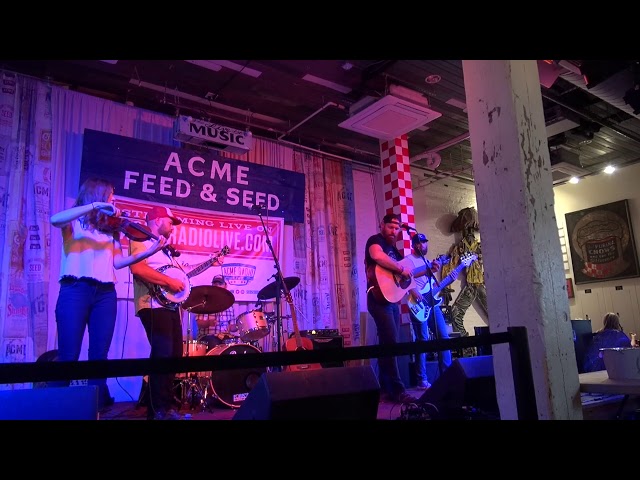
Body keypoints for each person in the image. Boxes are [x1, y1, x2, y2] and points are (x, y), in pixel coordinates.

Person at [50, 177, 167, 410]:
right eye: (110, 197)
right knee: (69, 354)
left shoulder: (109, 229)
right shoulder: (74, 221)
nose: (113, 201)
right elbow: (55, 219)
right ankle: (56, 409)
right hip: (75, 290)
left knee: (99, 356)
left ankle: (94, 409)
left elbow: (119, 263)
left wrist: (150, 250)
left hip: (105, 294)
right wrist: (93, 207)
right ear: (98, 196)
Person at [129, 205, 187, 420]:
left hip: (169, 307)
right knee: (162, 354)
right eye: (171, 222)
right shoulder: (140, 238)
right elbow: (138, 268)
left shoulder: (164, 248)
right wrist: (169, 281)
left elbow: (176, 278)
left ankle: (168, 407)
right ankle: (157, 412)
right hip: (152, 305)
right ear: (158, 220)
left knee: (174, 356)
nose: (173, 227)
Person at [365, 213, 420, 404]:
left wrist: (413, 275)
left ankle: (384, 388)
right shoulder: (375, 240)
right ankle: (398, 390)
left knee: (388, 343)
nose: (394, 231)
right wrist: (399, 269)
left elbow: (403, 277)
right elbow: (376, 256)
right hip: (377, 299)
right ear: (382, 225)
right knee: (391, 342)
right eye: (391, 227)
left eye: (397, 229)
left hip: (391, 300)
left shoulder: (395, 251)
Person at [405, 233, 455, 389]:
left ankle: (447, 376)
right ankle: (422, 380)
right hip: (417, 304)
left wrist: (448, 281)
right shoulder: (408, 260)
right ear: (414, 245)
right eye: (420, 243)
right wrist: (413, 290)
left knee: (444, 336)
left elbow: (432, 287)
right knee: (423, 339)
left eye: (425, 242)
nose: (423, 245)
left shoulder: (428, 262)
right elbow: (404, 279)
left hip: (433, 304)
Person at [195, 274, 239, 350]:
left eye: (220, 283)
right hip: (207, 336)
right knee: (214, 343)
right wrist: (209, 323)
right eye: (215, 283)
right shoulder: (205, 302)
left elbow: (232, 327)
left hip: (225, 337)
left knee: (236, 345)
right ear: (212, 285)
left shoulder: (230, 304)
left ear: (225, 286)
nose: (217, 286)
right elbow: (199, 324)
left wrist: (239, 326)